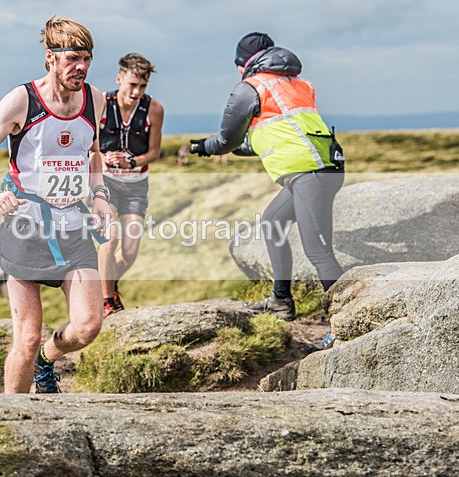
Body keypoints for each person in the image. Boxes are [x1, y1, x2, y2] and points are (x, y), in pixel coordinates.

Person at [0, 16, 108, 394]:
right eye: (73, 58)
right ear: (50, 58)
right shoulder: (21, 100)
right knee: (24, 338)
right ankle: (12, 423)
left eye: (87, 59)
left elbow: (92, 153)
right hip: (26, 227)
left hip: (74, 227)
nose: (82, 67)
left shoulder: (95, 99)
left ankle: (49, 358)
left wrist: (101, 196)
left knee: (89, 325)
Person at [189, 32, 345, 351]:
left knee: (318, 252)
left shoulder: (251, 87)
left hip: (309, 174)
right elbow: (275, 134)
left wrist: (207, 147)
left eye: (236, 64)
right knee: (272, 223)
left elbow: (227, 139)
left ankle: (345, 326)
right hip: (321, 167)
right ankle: (281, 301)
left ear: (243, 62)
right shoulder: (297, 83)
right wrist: (232, 148)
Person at [97, 53, 164, 316]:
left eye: (143, 87)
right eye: (132, 85)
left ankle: (106, 282)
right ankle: (106, 301)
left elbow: (154, 153)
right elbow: (87, 144)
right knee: (109, 239)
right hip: (106, 183)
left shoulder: (154, 109)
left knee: (130, 251)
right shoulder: (101, 102)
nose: (136, 92)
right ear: (119, 78)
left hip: (136, 186)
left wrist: (131, 162)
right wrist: (102, 157)